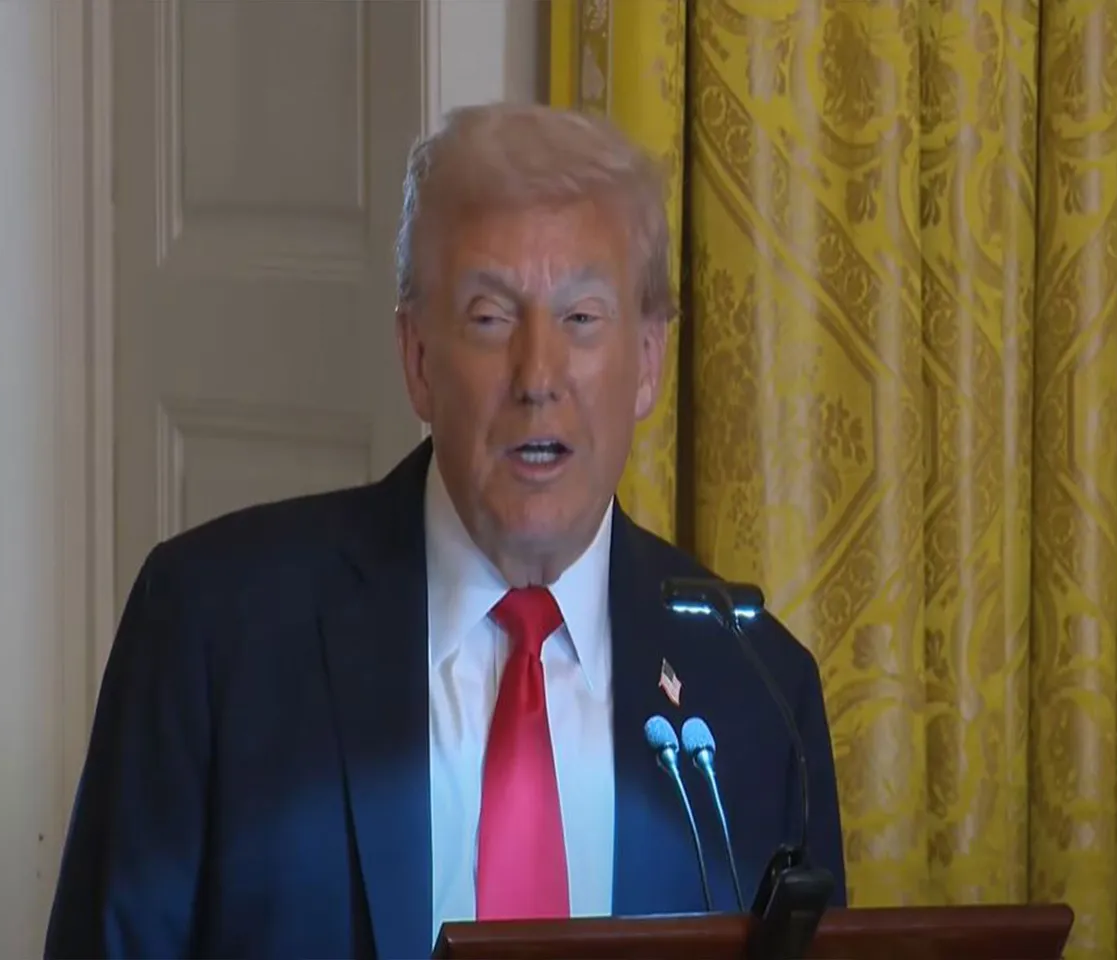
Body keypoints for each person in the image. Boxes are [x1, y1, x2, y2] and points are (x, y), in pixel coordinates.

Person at [44, 102, 846, 960]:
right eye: (491, 317)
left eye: (581, 318)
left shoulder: (757, 694)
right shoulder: (212, 634)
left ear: (648, 360)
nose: (538, 377)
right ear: (419, 358)